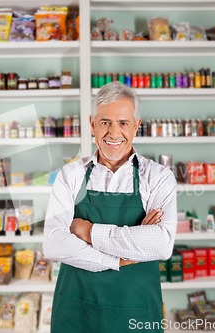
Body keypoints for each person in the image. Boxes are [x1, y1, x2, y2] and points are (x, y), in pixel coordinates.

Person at [43, 81, 177, 333]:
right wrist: (120, 259)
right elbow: (53, 243)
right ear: (92, 124)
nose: (114, 133)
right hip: (77, 310)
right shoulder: (70, 175)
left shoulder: (158, 177)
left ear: (137, 126)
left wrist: (88, 232)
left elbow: (161, 244)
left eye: (123, 123)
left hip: (135, 310)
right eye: (105, 122)